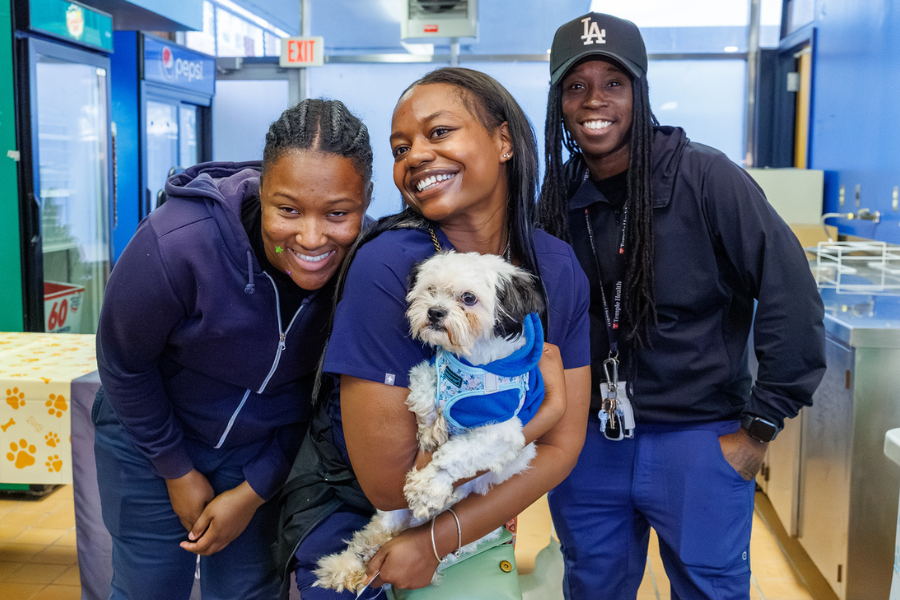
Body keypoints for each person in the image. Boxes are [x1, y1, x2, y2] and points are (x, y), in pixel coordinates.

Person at [536, 12, 827, 600]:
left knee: (709, 591)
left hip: (700, 441)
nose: (595, 100)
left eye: (613, 83)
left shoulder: (706, 177)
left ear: (639, 91)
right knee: (592, 586)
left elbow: (789, 293)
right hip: (591, 441)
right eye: (576, 86)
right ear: (559, 104)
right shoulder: (558, 196)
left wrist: (760, 428)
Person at [275, 67, 591, 599]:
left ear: (504, 140)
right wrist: (548, 413)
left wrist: (439, 541)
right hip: (355, 522)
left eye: (438, 132)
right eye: (401, 148)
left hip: (464, 520)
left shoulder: (554, 269)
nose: (415, 156)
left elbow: (565, 450)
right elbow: (389, 484)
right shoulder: (389, 265)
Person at [93, 98, 373, 600]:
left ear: (366, 198)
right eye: (287, 209)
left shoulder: (368, 270)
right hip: (150, 437)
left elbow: (329, 400)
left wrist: (254, 491)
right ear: (262, 189)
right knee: (147, 589)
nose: (311, 237)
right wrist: (176, 469)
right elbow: (124, 364)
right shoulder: (178, 243)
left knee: (248, 593)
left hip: (266, 453)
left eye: (338, 213)